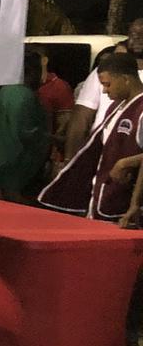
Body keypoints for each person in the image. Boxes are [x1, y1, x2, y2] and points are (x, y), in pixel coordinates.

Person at [41, 53, 143, 223]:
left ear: (125, 79)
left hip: (126, 210)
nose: (104, 90)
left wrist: (126, 163)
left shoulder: (140, 110)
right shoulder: (116, 107)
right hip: (103, 200)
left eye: (107, 84)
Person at [0, 50, 51, 203]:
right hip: (8, 165)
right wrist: (51, 138)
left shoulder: (3, 89)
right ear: (32, 71)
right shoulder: (22, 94)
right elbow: (27, 131)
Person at [65, 18, 143, 160]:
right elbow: (81, 117)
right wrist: (69, 159)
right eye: (133, 33)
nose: (137, 38)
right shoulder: (105, 71)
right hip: (100, 154)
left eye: (142, 34)